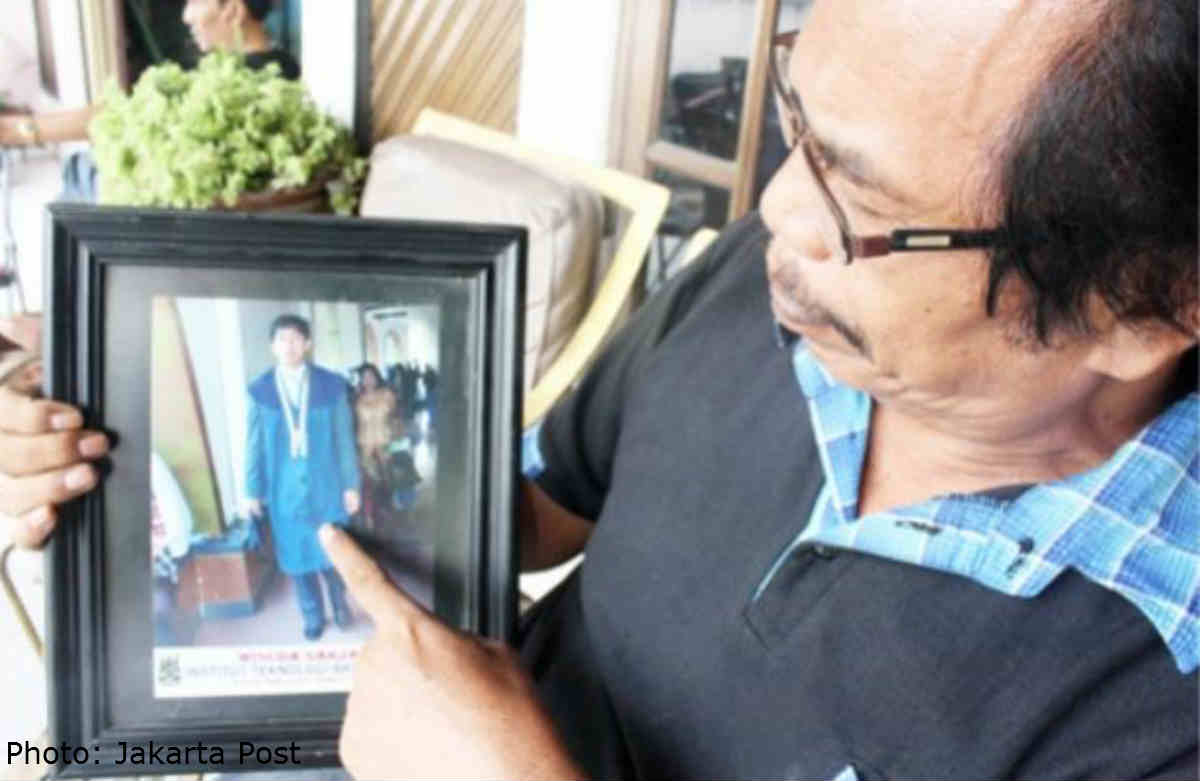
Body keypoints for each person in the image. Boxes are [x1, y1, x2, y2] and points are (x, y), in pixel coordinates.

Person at [1, 0, 1197, 777]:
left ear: (1144, 306)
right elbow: (541, 510)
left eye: (866, 204)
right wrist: (106, 460)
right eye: (797, 126)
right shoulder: (765, 282)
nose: (775, 210)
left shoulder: (1154, 717)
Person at [0, 0, 299, 200]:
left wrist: (19, 131)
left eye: (196, 1)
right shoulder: (273, 67)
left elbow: (124, 116)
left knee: (81, 171)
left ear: (233, 11)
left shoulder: (242, 85)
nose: (186, 16)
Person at [243, 314, 361, 641]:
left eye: (296, 339)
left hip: (327, 487)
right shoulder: (260, 391)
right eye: (282, 339)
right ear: (273, 346)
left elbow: (344, 440)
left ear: (307, 344)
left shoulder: (331, 385)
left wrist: (351, 485)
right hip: (284, 493)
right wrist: (251, 490)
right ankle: (312, 615)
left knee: (332, 553)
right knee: (296, 559)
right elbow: (253, 445)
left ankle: (340, 605)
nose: (289, 346)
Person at [352, 362, 401, 530]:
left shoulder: (387, 395)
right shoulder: (356, 398)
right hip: (365, 447)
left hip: (385, 447)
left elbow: (397, 419)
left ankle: (386, 512)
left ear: (377, 377)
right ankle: (368, 517)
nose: (368, 380)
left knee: (386, 484)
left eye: (371, 376)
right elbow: (353, 424)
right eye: (364, 377)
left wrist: (398, 444)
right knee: (367, 485)